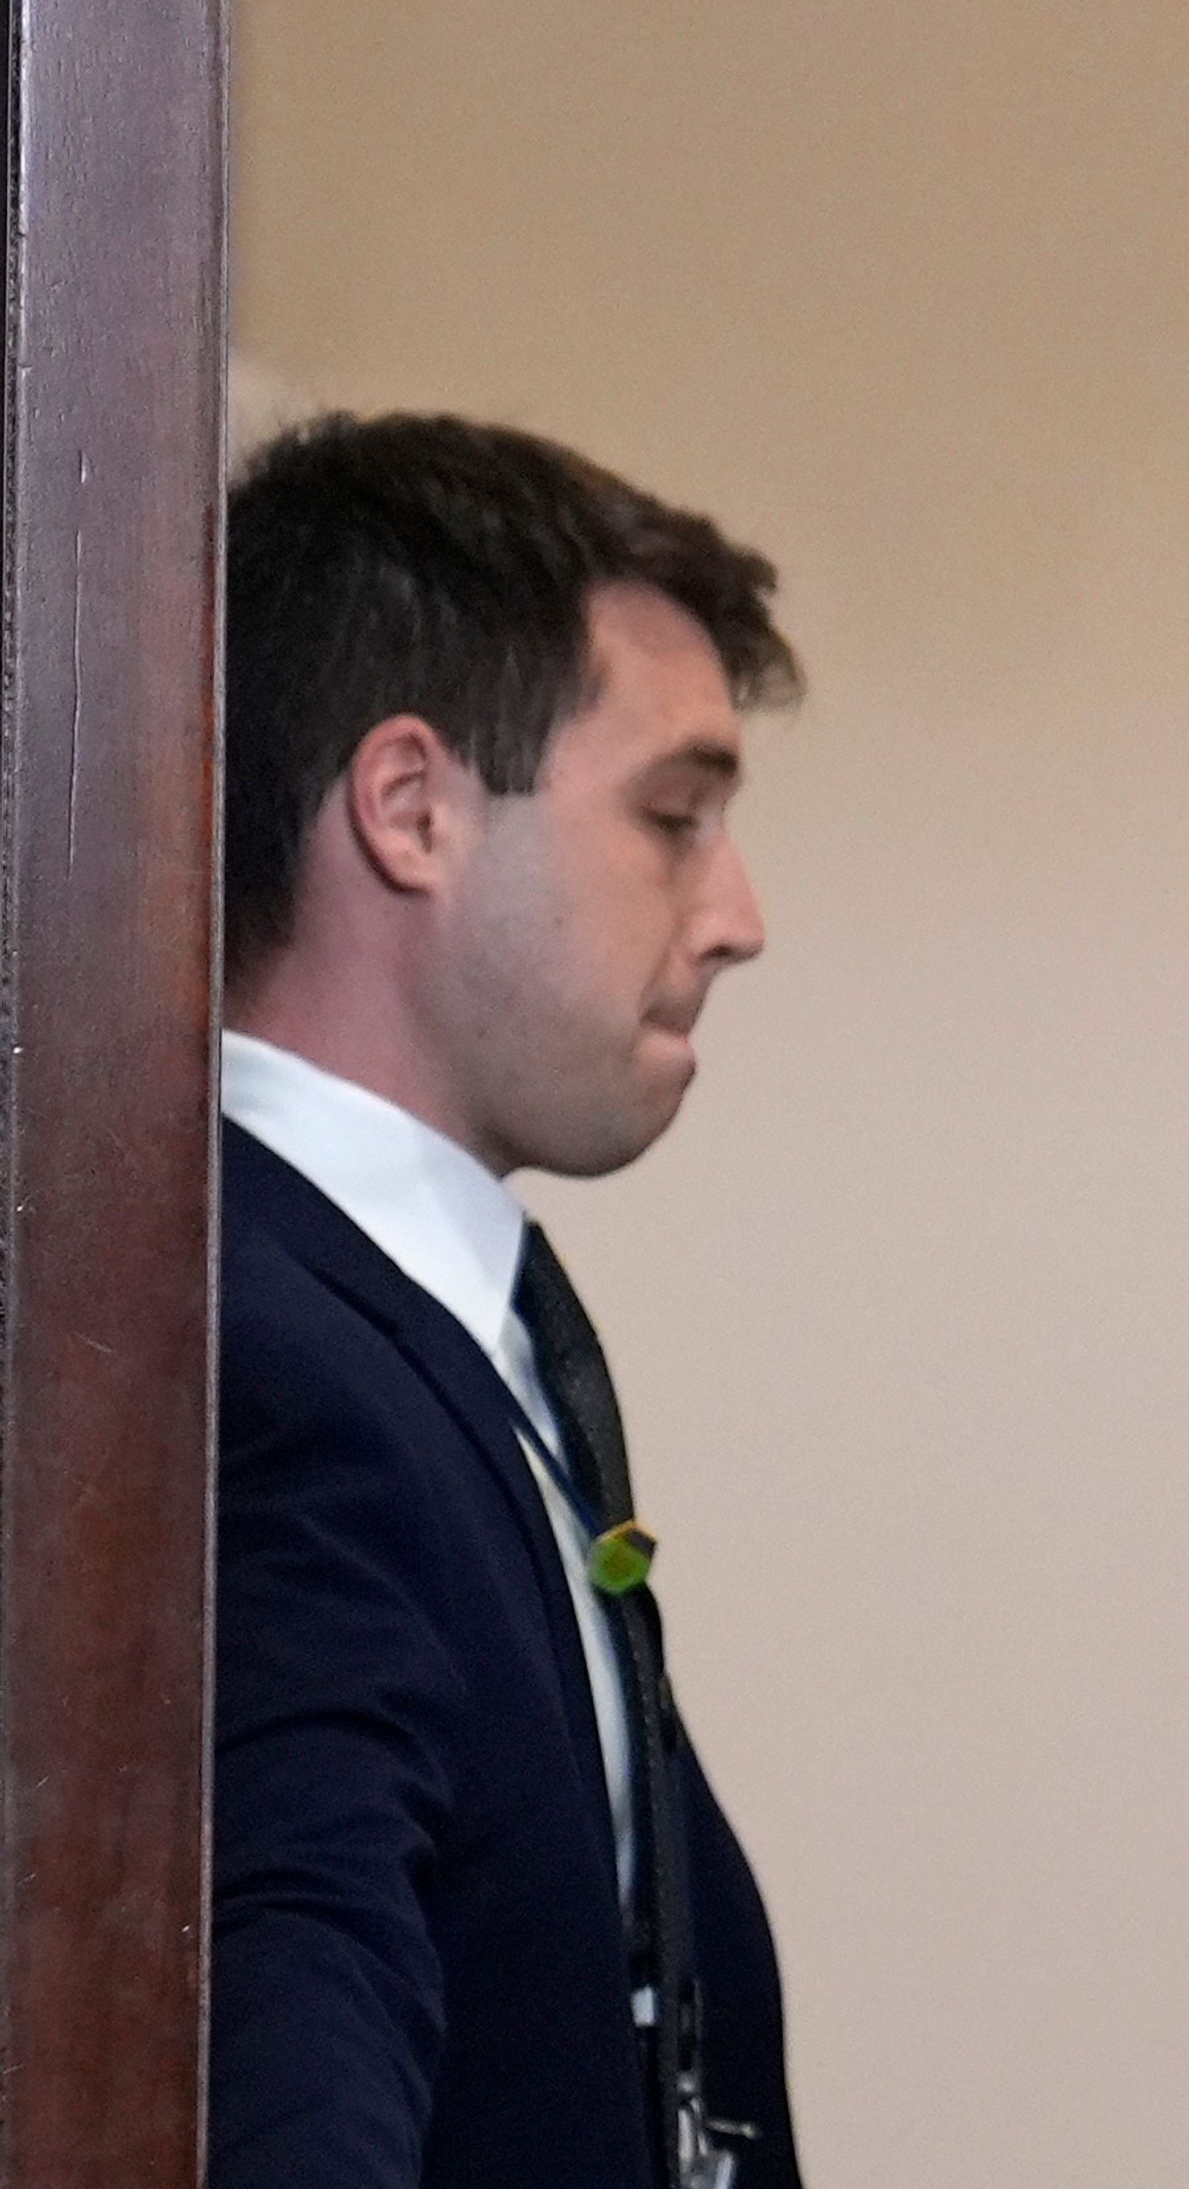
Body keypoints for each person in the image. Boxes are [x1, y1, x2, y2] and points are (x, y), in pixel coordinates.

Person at [211, 413, 805, 2189]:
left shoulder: (435, 1320)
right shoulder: (255, 1364)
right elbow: (287, 2073)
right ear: (413, 809)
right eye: (674, 817)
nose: (738, 915)